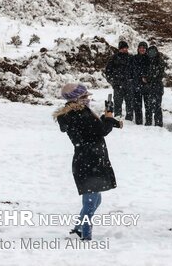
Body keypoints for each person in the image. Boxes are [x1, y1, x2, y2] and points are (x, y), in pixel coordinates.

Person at [54, 83, 120, 240]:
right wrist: (109, 118)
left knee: (95, 200)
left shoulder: (75, 114)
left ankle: (78, 229)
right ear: (75, 98)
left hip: (88, 160)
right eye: (84, 97)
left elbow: (95, 129)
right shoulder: (81, 114)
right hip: (90, 161)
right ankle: (86, 235)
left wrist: (108, 119)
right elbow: (101, 130)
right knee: (91, 203)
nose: (87, 99)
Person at [105, 41, 133, 121]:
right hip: (117, 85)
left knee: (130, 103)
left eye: (125, 48)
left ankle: (129, 119)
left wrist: (132, 81)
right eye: (122, 48)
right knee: (117, 103)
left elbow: (135, 71)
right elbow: (108, 72)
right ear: (119, 49)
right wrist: (112, 82)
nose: (124, 49)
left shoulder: (131, 58)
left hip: (129, 84)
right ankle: (117, 119)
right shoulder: (113, 58)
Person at [130, 41, 151, 125]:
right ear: (138, 49)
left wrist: (147, 77)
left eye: (144, 48)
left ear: (146, 49)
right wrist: (131, 79)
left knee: (148, 106)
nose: (142, 49)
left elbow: (152, 71)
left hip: (147, 85)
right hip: (136, 85)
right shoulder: (134, 58)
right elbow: (130, 71)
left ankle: (148, 122)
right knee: (137, 106)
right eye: (140, 48)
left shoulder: (149, 58)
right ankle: (138, 122)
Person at [146, 45, 167, 127]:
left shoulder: (160, 61)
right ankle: (148, 122)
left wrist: (148, 78)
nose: (151, 54)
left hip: (157, 87)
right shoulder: (147, 61)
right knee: (149, 106)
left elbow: (158, 75)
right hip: (149, 87)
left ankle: (158, 124)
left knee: (157, 106)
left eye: (153, 52)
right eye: (150, 52)